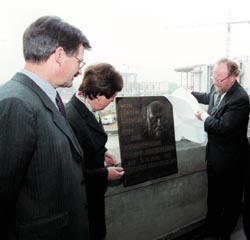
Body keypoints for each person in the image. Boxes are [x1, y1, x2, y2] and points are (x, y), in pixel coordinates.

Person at [0, 16, 92, 239]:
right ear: (60, 55)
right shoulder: (17, 103)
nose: (80, 71)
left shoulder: (43, 97)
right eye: (80, 61)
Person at [191, 58, 250, 240]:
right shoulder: (217, 85)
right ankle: (211, 229)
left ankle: (223, 233)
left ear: (232, 78)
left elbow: (224, 127)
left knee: (231, 201)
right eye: (213, 78)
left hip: (232, 161)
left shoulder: (241, 98)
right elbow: (210, 97)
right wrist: (189, 94)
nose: (214, 82)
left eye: (219, 79)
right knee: (214, 199)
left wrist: (204, 117)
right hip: (215, 157)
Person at [65, 63, 125, 240]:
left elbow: (86, 143)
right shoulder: (71, 118)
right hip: (83, 204)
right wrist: (105, 174)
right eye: (112, 96)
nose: (112, 101)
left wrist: (102, 151)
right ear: (98, 95)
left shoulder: (84, 108)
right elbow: (71, 173)